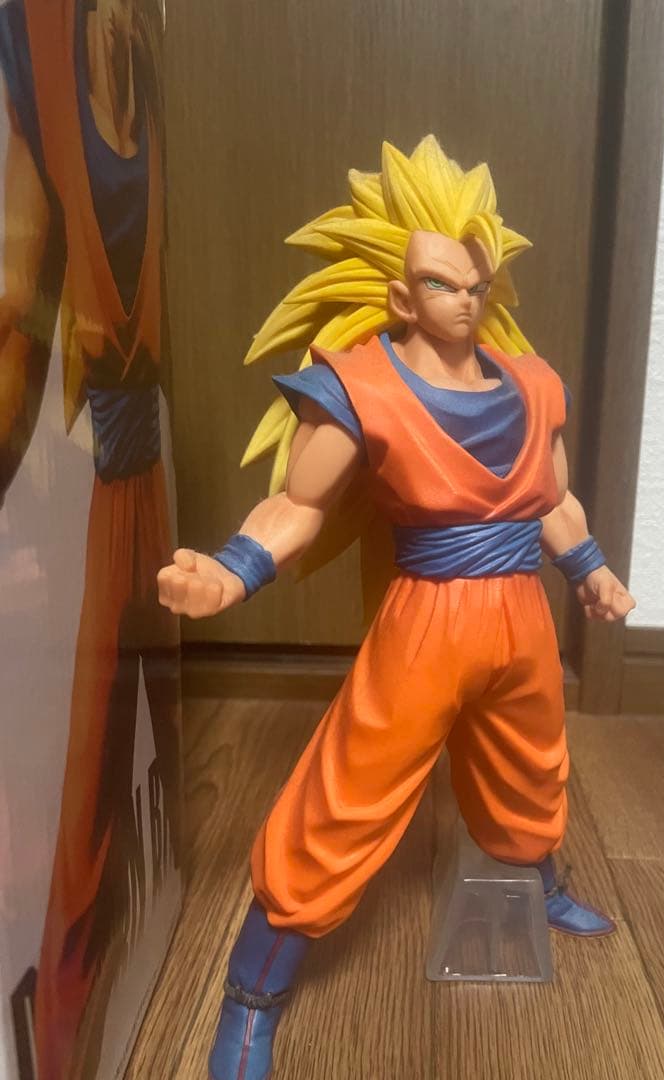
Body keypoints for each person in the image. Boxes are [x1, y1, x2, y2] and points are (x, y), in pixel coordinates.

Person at [157, 136, 636, 1080]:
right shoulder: (360, 387)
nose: (464, 300)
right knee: (349, 793)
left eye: (476, 284)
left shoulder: (534, 385)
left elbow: (552, 500)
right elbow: (299, 503)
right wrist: (234, 570)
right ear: (401, 296)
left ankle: (539, 883)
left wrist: (591, 571)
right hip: (426, 627)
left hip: (521, 616)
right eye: (440, 283)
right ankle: (252, 993)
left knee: (533, 760)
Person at [0, 3, 181, 1077]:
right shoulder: (34, 33)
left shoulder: (143, 38)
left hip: (142, 465)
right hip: (87, 473)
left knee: (141, 768)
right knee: (75, 810)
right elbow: (14, 300)